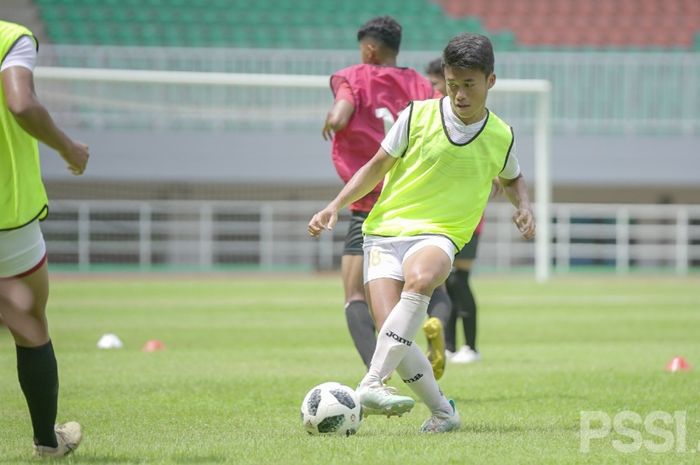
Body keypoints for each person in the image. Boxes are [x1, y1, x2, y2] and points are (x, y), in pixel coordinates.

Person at [309, 32, 535, 433]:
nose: (460, 94)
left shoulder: (500, 134)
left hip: (441, 234)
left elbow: (514, 177)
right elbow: (376, 166)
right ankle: (444, 413)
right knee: (393, 331)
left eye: (469, 85)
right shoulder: (416, 115)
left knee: (423, 278)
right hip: (383, 232)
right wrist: (334, 206)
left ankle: (371, 383)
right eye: (452, 85)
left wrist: (525, 208)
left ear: (490, 81)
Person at [322, 16, 451, 379]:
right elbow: (446, 118)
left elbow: (343, 109)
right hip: (415, 202)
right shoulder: (419, 84)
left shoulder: (352, 76)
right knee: (426, 280)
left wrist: (333, 119)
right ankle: (437, 322)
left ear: (370, 49)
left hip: (369, 204)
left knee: (355, 296)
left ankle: (376, 373)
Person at [1, 19, 89, 457]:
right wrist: (67, 146)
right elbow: (20, 104)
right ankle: (46, 440)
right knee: (29, 323)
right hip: (7, 213)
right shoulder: (9, 36)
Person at [426, 56, 487, 364]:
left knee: (458, 281)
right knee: (443, 282)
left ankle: (471, 347)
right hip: (441, 218)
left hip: (467, 220)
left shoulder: (477, 125)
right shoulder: (435, 121)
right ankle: (448, 346)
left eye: (436, 84)